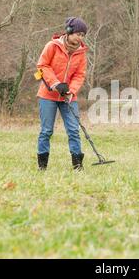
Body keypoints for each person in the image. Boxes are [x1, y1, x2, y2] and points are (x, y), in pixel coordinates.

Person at [36, 17, 88, 171]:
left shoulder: (81, 53)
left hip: (68, 97)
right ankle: (42, 166)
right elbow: (42, 65)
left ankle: (78, 165)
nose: (80, 37)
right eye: (78, 33)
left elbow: (80, 75)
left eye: (83, 35)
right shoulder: (52, 46)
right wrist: (55, 83)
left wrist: (71, 91)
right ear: (69, 31)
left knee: (73, 130)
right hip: (48, 95)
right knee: (47, 131)